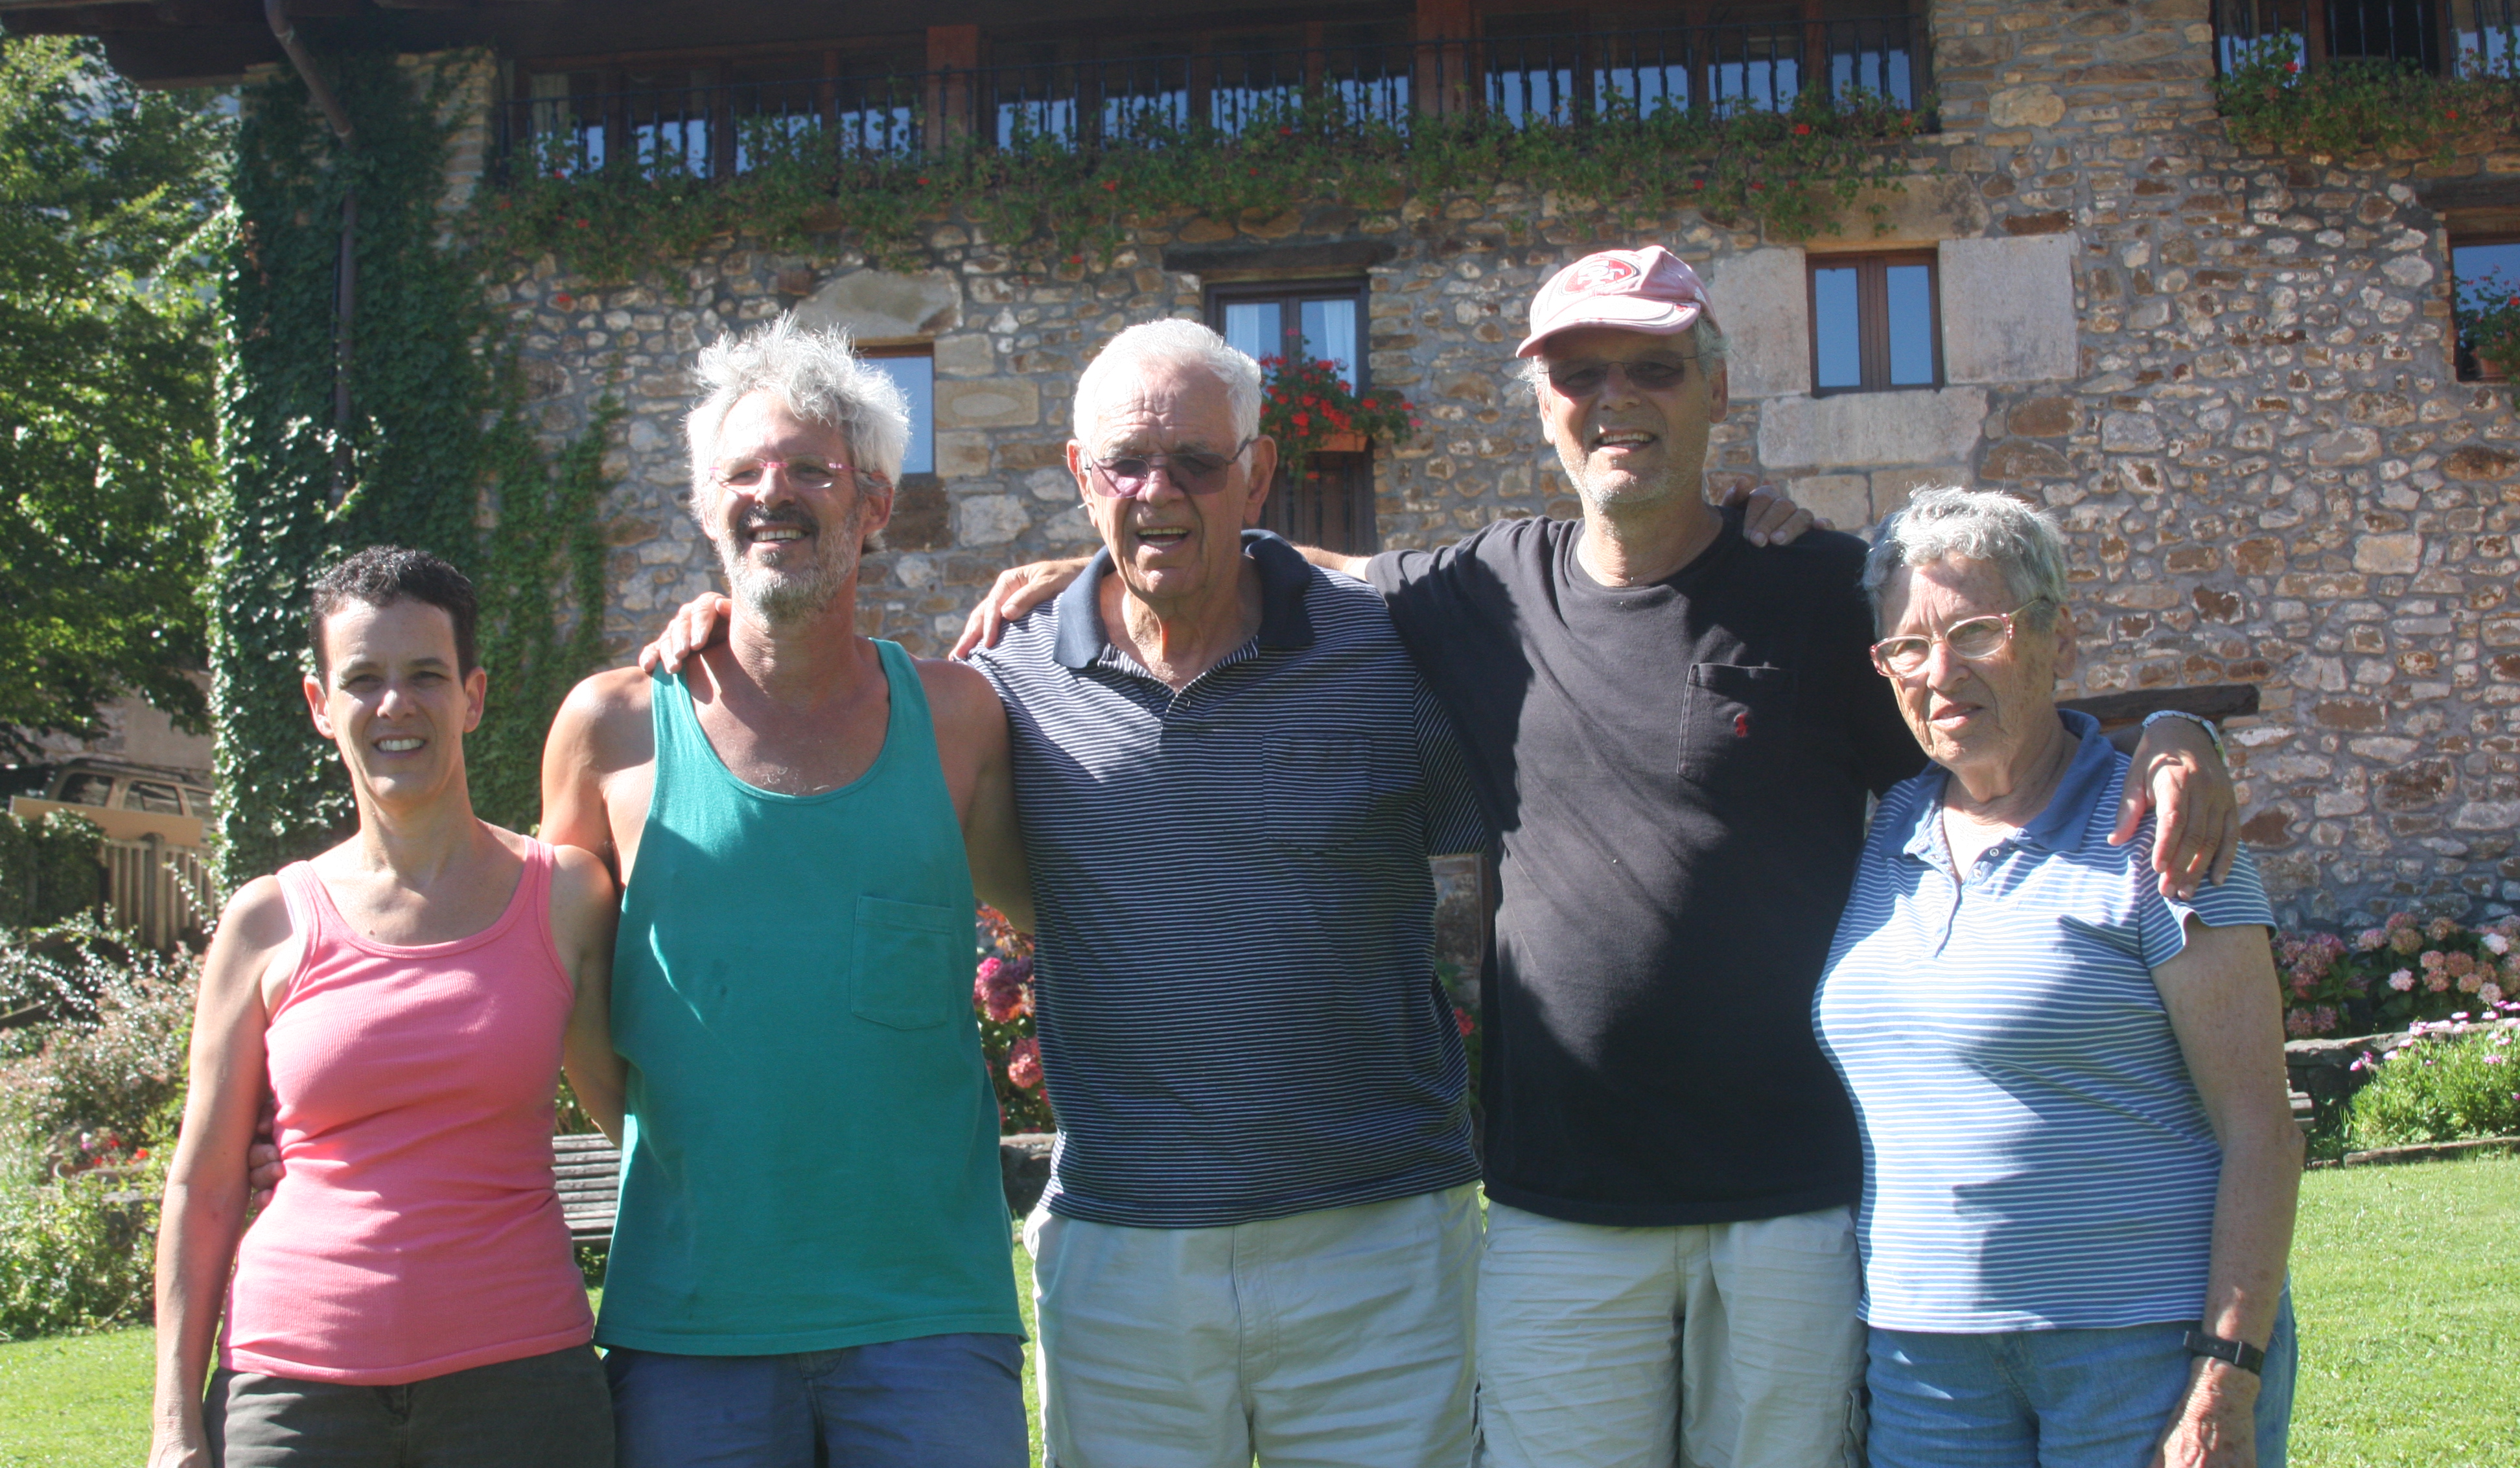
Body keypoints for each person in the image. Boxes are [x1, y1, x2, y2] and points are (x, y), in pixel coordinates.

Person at [959, 248, 2241, 1468]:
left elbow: (1984, 704)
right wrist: (1110, 553)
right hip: (1557, 1210)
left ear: (1716, 390)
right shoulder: (1481, 590)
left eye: (1654, 368)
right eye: (1581, 374)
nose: (1616, 399)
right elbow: (1274, 563)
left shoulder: (1817, 588)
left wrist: (2175, 735)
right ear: (1543, 406)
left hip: (1787, 1197)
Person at [646, 320, 1491, 1466]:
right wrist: (725, 626)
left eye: (1198, 463)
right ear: (1079, 477)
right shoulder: (1007, 683)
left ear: (1257, 473)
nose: (1158, 491)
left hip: (1377, 1245)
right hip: (1127, 1258)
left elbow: (1540, 804)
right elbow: (831, 726)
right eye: (1125, 466)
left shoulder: (1385, 656)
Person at [539, 315, 1031, 1468]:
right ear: (704, 506)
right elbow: (558, 992)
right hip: (690, 1321)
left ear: (874, 504)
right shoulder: (611, 728)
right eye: (744, 472)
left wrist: (1086, 578)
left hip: (930, 1316)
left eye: (812, 469)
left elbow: (1069, 918)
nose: (774, 492)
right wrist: (685, 1152)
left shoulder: (961, 721)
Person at [1815, 485, 2299, 1468]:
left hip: (2140, 1346)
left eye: (1976, 633)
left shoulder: (2161, 834)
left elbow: (2262, 1127)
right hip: (1923, 1358)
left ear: (2057, 639)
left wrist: (2226, 1375)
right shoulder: (1885, 831)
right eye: (1908, 646)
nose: (1940, 672)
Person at [150, 546, 622, 1468]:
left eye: (426, 676)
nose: (395, 704)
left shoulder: (566, 896)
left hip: (520, 1387)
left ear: (473, 697)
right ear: (320, 705)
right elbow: (203, 1187)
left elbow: (636, 1118)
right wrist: (174, 1428)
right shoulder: (266, 921)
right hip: (291, 1394)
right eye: (363, 679)